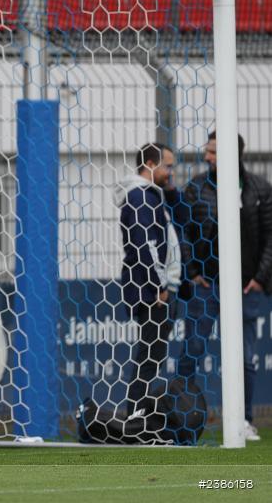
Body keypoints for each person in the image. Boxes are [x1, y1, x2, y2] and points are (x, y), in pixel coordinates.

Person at [178, 131, 272, 441]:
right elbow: (185, 233)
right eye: (207, 151)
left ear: (234, 154)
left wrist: (260, 278)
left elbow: (270, 236)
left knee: (244, 357)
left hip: (245, 287)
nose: (207, 157)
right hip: (206, 285)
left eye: (215, 152)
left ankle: (243, 421)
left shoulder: (259, 188)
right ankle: (180, 419)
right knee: (192, 351)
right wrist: (192, 272)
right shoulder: (196, 188)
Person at [116, 143, 181, 418]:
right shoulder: (141, 197)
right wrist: (160, 286)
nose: (171, 173)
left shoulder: (152, 196)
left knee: (151, 357)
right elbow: (146, 245)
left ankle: (137, 415)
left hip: (157, 289)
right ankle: (135, 418)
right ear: (151, 164)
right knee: (148, 357)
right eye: (168, 166)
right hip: (153, 292)